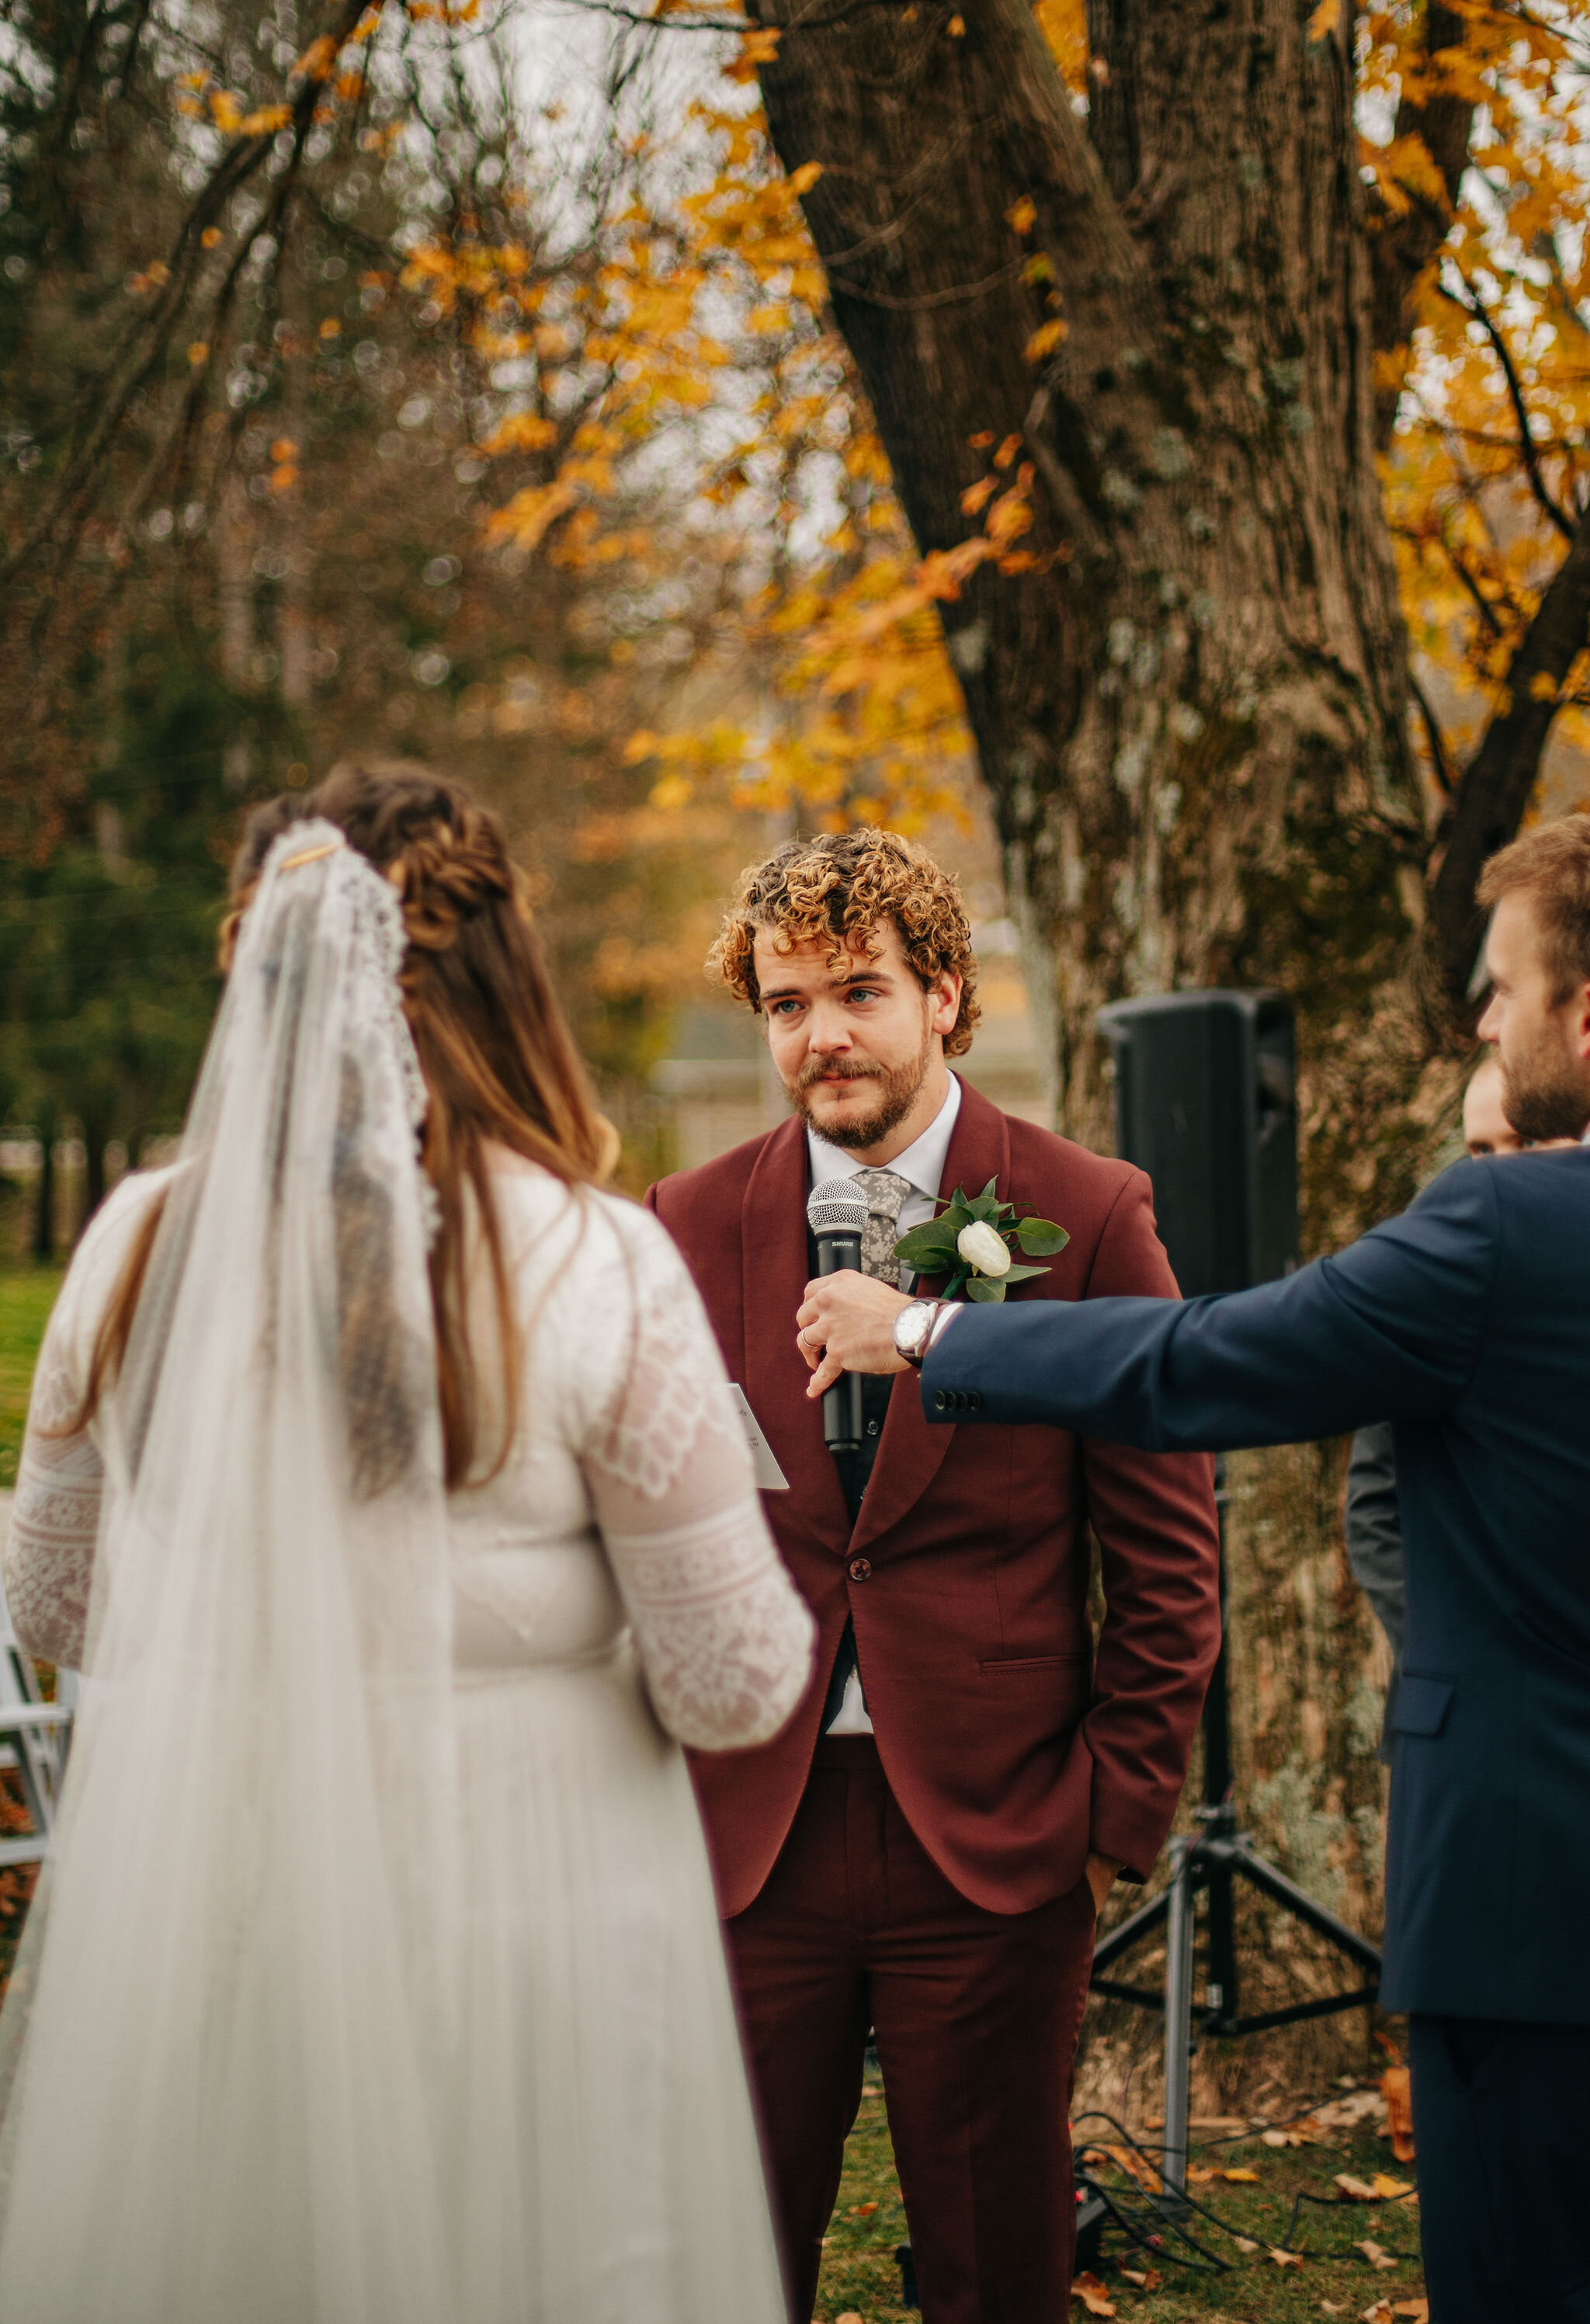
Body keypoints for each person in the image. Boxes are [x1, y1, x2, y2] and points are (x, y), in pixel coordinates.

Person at [0, 766, 814, 2324]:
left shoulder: (132, 1247)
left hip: (242, 1908)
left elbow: (56, 1600)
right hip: (529, 1912)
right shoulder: (595, 1260)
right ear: (504, 979)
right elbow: (732, 1684)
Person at [798, 815, 1590, 2324]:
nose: (1480, 1019)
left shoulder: (1507, 1223)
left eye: (1500, 989)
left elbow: (1214, 1355)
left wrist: (924, 1331)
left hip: (1526, 1896)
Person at [645, 827, 1220, 2324]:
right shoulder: (687, 1222)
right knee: (723, 2253)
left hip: (996, 1832)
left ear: (945, 995)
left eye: (859, 990)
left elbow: (1165, 1551)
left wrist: (1110, 1818)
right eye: (785, 1003)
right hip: (750, 1839)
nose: (820, 1034)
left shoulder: (1084, 1213)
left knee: (994, 2261)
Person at [1344, 1052, 1533, 1752]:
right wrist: (1454, 1652)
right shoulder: (1424, 1287)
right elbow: (1373, 1506)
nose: (1501, 1169)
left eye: (1522, 1142)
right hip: (1458, 1723)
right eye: (1481, 1149)